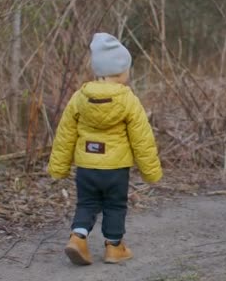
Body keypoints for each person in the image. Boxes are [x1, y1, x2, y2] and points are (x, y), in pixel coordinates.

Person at [47, 32, 162, 265]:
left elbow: (65, 134)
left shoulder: (79, 97)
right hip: (116, 168)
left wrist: (58, 168)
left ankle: (78, 237)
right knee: (115, 205)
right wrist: (151, 171)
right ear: (122, 71)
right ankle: (114, 247)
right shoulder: (128, 99)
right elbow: (142, 138)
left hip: (87, 166)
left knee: (86, 203)